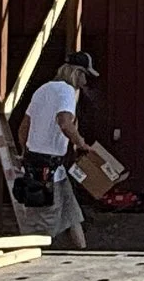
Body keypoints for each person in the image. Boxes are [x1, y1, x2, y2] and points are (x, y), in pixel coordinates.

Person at [18, 49, 98, 248]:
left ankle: (83, 252)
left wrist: (26, 152)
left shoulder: (42, 89)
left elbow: (23, 128)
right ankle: (38, 264)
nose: (86, 82)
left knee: (72, 214)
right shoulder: (67, 92)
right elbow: (64, 122)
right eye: (85, 76)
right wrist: (81, 144)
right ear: (77, 73)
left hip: (43, 166)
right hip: (48, 170)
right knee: (45, 225)